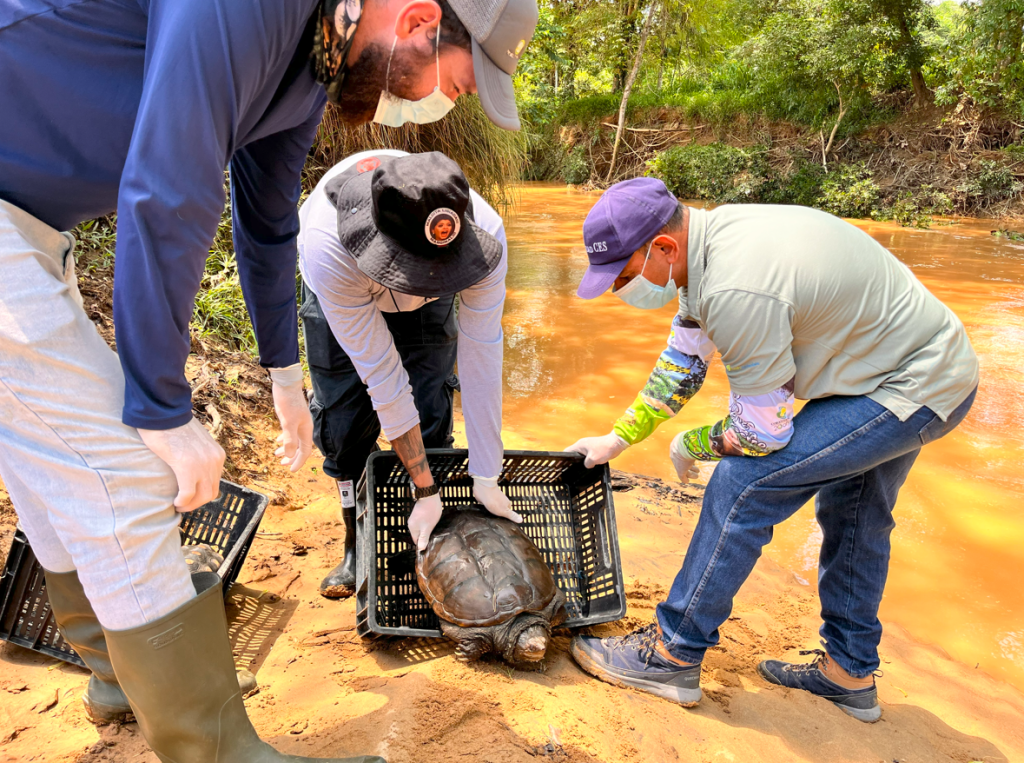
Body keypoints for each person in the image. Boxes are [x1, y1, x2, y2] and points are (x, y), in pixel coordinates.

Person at [0, 0, 537, 759]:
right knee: (121, 471)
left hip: (30, 224)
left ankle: (116, 677)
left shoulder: (310, 59)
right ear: (420, 22)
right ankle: (218, 749)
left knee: (49, 479)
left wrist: (283, 369)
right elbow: (170, 179)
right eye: (458, 81)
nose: (439, 102)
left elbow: (263, 216)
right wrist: (159, 403)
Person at [565, 178, 978, 723]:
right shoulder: (709, 243)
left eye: (622, 276)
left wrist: (692, 442)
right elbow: (682, 364)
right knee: (853, 507)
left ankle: (673, 653)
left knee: (743, 484)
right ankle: (848, 674)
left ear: (663, 248)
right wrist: (616, 440)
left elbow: (763, 437)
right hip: (901, 367)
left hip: (912, 384)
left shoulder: (737, 290)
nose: (621, 290)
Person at [299, 150, 520, 598]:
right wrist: (424, 487)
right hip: (346, 289)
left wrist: (486, 473)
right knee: (342, 420)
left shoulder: (485, 238)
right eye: (418, 272)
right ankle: (356, 543)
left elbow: (481, 359)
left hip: (429, 292)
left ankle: (421, 537)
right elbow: (383, 380)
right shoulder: (327, 245)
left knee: (432, 403)